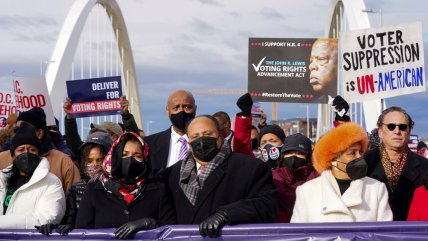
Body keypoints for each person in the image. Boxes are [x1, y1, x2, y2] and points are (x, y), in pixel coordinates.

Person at [162, 115, 277, 238]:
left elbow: (267, 205)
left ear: (220, 136)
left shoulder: (250, 167)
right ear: (189, 142)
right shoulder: (170, 175)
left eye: (208, 133)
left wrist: (227, 214)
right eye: (195, 136)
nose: (201, 140)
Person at [76, 131, 170, 239]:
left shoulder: (158, 190)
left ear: (145, 159)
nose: (130, 160)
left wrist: (150, 223)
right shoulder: (94, 189)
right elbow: (82, 231)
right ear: (115, 156)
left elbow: (170, 230)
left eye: (137, 155)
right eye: (124, 154)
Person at [291, 122, 392, 222]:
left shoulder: (376, 189)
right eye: (352, 153)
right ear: (332, 159)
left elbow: (384, 233)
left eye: (361, 152)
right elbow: (298, 234)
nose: (360, 157)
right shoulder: (307, 192)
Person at [37, 131, 114, 236]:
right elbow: (70, 220)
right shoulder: (76, 189)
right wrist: (55, 227)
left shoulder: (119, 188)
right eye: (89, 160)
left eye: (99, 160)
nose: (94, 165)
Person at [365, 106, 428, 221]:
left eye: (403, 127)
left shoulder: (425, 166)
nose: (397, 131)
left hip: (411, 234)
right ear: (380, 132)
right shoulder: (364, 163)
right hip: (372, 234)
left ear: (409, 132)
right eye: (391, 126)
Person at [0, 107, 80, 195]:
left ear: (40, 133)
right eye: (16, 129)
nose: (20, 132)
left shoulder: (63, 162)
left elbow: (75, 198)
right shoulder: (2, 159)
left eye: (25, 128)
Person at [0, 123, 65, 228]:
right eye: (21, 150)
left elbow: (46, 218)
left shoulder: (51, 182)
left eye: (32, 150)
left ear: (39, 154)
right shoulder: (2, 179)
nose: (26, 153)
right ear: (13, 155)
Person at [144, 90, 197, 177]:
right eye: (176, 108)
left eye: (187, 107)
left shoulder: (207, 142)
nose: (181, 111)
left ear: (195, 109)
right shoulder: (149, 144)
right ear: (167, 111)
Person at [272, 133, 318, 222]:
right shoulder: (272, 176)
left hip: (307, 229)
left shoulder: (315, 177)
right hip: (278, 230)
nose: (293, 157)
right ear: (283, 156)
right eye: (289, 153)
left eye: (299, 153)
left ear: (308, 158)